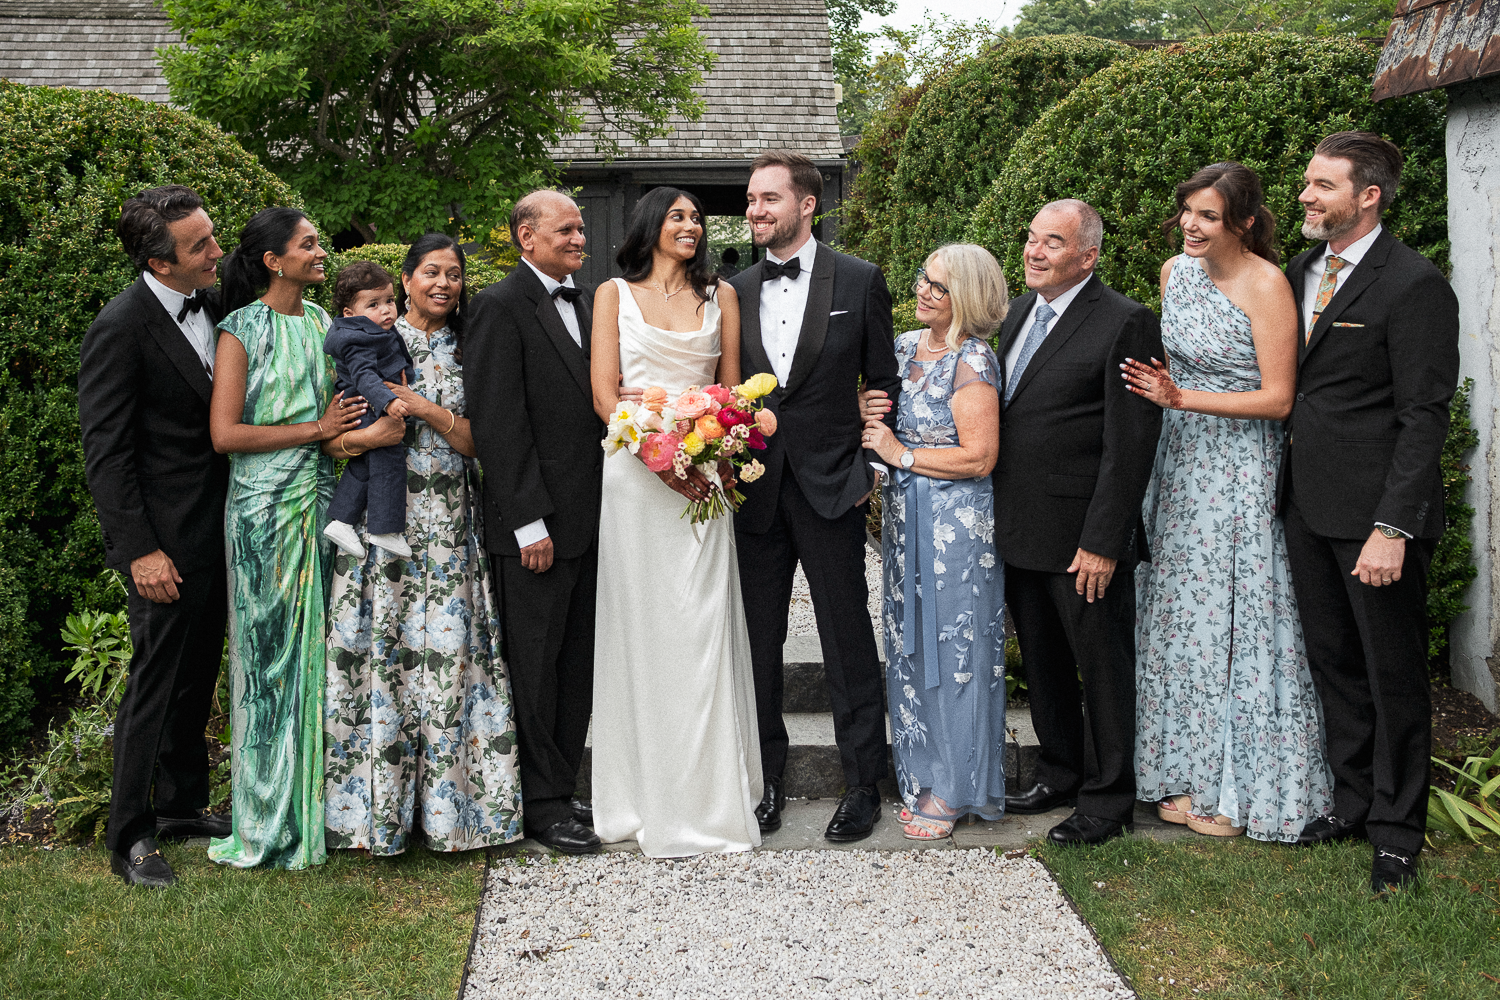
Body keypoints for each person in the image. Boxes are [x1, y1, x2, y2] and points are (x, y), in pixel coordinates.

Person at [1121, 163, 1332, 842]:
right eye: (1187, 210)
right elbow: (1175, 369)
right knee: (1180, 620)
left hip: (1240, 468)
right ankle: (1182, 773)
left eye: (1208, 216)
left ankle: (1237, 786)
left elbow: (1278, 399)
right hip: (1178, 462)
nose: (1190, 224)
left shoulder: (1267, 285)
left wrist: (1183, 397)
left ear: (1243, 221)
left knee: (1237, 618)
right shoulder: (1172, 273)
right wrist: (1166, 392)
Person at [1279, 132, 1459, 892]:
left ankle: (1396, 834)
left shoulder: (1413, 283)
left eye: (1322, 186)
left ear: (1368, 196)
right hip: (1305, 507)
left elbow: (1425, 416)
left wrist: (1394, 528)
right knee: (1335, 667)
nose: (1306, 196)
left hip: (1375, 520)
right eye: (1307, 184)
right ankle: (1351, 804)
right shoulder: (1299, 271)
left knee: (1392, 679)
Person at [324, 236, 523, 854]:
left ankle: (451, 818)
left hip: (448, 526)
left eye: (455, 275)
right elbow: (333, 441)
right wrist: (371, 433)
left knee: (449, 662)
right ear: (405, 281)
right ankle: (373, 817)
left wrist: (422, 408)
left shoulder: (473, 347)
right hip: (385, 529)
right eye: (431, 272)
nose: (444, 283)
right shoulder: (369, 341)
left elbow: (479, 441)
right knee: (383, 656)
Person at [729, 150, 901, 843]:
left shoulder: (860, 281)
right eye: (750, 200)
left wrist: (871, 468)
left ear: (807, 205)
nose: (755, 211)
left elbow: (886, 386)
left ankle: (864, 785)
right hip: (754, 495)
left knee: (847, 641)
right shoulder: (732, 291)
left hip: (833, 489)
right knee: (757, 644)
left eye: (769, 199)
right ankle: (765, 783)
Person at [588, 186, 762, 857]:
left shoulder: (721, 297)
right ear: (651, 225)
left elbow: (732, 389)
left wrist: (713, 444)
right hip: (636, 476)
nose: (691, 225)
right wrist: (655, 455)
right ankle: (641, 795)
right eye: (680, 216)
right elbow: (605, 393)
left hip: (704, 478)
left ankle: (710, 798)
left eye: (697, 217)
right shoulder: (612, 294)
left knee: (700, 626)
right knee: (643, 629)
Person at [997, 199, 1164, 846]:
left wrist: (1103, 542)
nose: (1034, 251)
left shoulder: (1126, 322)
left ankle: (1108, 799)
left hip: (1083, 543)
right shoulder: (1016, 314)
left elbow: (1131, 445)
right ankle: (1060, 772)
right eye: (1032, 238)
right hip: (1022, 532)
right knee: (1042, 665)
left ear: (1088, 257)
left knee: (1103, 670)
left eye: (1053, 243)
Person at [79, 186, 232, 887]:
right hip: (162, 547)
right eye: (200, 244)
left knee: (198, 674)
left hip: (218, 532)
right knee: (153, 684)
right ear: (158, 261)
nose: (216, 250)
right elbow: (106, 453)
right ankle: (131, 837)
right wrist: (140, 550)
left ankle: (180, 805)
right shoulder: (121, 325)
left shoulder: (219, 305)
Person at [207, 207, 366, 870]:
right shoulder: (240, 330)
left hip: (320, 501)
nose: (320, 251)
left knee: (317, 657)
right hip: (262, 511)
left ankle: (317, 816)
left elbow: (343, 418)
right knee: (269, 660)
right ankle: (266, 819)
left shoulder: (328, 325)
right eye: (308, 244)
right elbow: (226, 436)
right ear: (274, 260)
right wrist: (316, 429)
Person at [465, 190, 605, 855]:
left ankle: (561, 786)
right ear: (526, 235)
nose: (579, 238)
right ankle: (538, 804)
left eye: (580, 228)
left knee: (575, 665)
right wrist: (527, 524)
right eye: (566, 229)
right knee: (536, 667)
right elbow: (498, 424)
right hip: (536, 531)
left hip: (592, 521)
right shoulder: (497, 307)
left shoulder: (590, 300)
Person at [860, 244, 1007, 841]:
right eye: (922, 277)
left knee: (956, 650)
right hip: (903, 522)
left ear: (965, 298)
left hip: (957, 528)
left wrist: (903, 455)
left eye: (938, 287)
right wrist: (867, 417)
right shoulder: (900, 347)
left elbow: (980, 456)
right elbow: (880, 424)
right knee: (908, 640)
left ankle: (956, 786)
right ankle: (921, 770)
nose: (922, 290)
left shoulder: (974, 361)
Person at [322, 262, 417, 560]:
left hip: (368, 403)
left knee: (364, 467)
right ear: (350, 314)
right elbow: (364, 377)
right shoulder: (359, 338)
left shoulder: (371, 329)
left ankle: (341, 520)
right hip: (368, 405)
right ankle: (384, 528)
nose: (387, 310)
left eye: (389, 300)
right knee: (388, 461)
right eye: (373, 304)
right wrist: (387, 401)